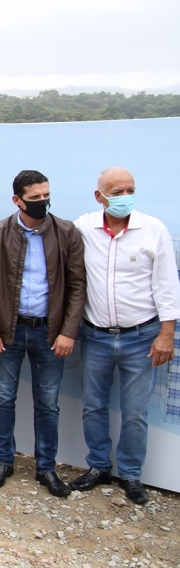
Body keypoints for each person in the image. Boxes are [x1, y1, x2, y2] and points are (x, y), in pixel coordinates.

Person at [69, 167, 180, 505]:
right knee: (93, 406)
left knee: (135, 412)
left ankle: (131, 474)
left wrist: (167, 334)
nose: (124, 197)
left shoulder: (153, 229)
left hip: (141, 338)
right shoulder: (83, 227)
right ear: (99, 196)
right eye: (116, 192)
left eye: (129, 189)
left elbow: (166, 285)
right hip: (97, 336)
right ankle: (98, 466)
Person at [0, 170, 85, 498]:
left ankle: (46, 468)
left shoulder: (66, 232)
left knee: (48, 404)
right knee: (3, 398)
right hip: (7, 333)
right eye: (34, 198)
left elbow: (78, 286)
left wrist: (68, 331)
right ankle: (4, 461)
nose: (42, 202)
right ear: (17, 200)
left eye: (45, 196)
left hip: (50, 335)